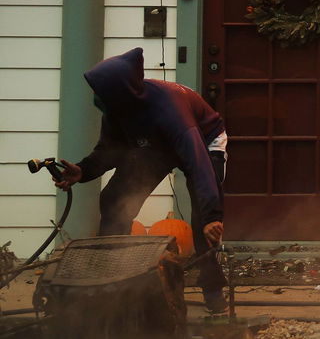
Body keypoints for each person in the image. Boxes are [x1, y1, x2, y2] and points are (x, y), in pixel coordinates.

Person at [53, 47, 230, 313]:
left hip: (204, 141)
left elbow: (199, 164)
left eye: (100, 92)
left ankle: (213, 292)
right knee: (114, 200)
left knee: (202, 221)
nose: (95, 97)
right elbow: (109, 151)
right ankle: (111, 279)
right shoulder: (116, 111)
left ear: (120, 92)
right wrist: (83, 170)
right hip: (156, 146)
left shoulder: (170, 111)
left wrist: (213, 215)